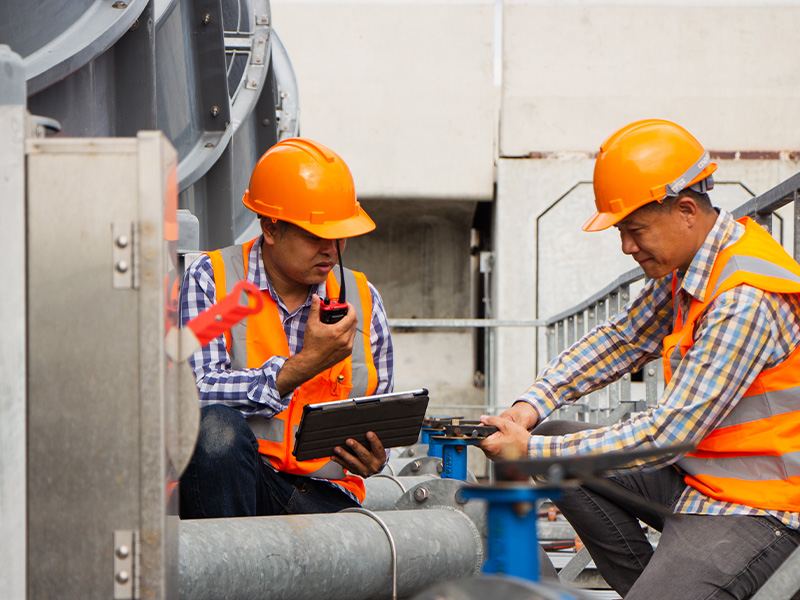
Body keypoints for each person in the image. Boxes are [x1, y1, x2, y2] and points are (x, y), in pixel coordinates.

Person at [479, 119, 800, 599]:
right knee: (552, 440)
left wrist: (526, 451)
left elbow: (670, 434)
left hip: (756, 506)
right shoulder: (691, 266)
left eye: (635, 230)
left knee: (544, 451)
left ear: (686, 211)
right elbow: (623, 339)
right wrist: (530, 407)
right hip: (698, 479)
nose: (627, 246)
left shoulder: (744, 298)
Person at [179, 138, 394, 518]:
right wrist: (303, 365)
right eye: (316, 236)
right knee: (215, 428)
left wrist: (376, 454)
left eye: (339, 235)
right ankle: (233, 574)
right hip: (238, 485)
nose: (332, 250)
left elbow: (382, 413)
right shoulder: (217, 280)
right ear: (271, 228)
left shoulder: (363, 299)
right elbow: (195, 393)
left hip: (326, 497)